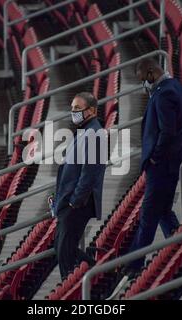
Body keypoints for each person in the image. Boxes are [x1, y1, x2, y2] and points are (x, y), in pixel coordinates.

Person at [126, 58, 182, 275]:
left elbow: (168, 131)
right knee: (164, 210)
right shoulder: (179, 88)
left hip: (162, 165)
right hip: (172, 162)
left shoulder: (164, 93)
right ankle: (180, 250)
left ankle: (133, 267)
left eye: (142, 80)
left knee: (148, 215)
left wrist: (155, 157)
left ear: (151, 73)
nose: (143, 85)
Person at [52, 92, 107, 280]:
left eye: (77, 108)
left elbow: (89, 173)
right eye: (72, 108)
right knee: (60, 246)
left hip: (77, 203)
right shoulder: (85, 131)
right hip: (69, 200)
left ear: (91, 110)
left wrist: (75, 201)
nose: (73, 112)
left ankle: (73, 287)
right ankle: (103, 273)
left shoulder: (94, 133)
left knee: (65, 252)